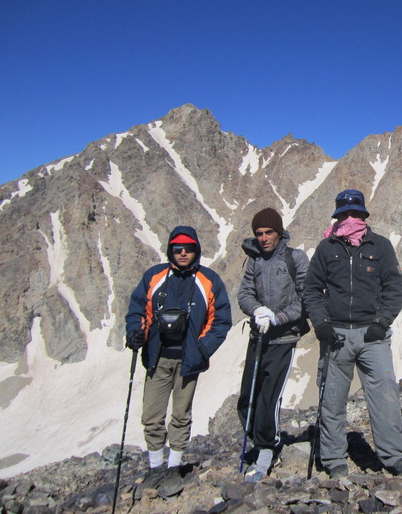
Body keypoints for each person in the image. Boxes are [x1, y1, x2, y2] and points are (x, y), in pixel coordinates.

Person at [302, 189, 402, 478]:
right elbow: (311, 291)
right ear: (337, 216)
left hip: (372, 337)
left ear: (364, 216)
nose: (349, 218)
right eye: (344, 214)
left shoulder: (381, 247)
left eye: (355, 213)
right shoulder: (326, 248)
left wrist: (381, 324)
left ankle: (394, 456)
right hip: (336, 336)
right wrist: (322, 325)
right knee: (331, 400)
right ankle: (334, 460)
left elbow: (394, 290)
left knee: (385, 397)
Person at [125, 226, 232, 497]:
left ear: (196, 250)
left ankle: (173, 467)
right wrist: (135, 333)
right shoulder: (155, 276)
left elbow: (220, 318)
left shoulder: (208, 279)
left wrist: (201, 349)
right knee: (151, 416)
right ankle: (155, 468)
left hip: (187, 361)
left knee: (180, 416)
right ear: (170, 250)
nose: (183, 253)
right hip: (157, 358)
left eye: (188, 248)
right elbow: (138, 307)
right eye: (177, 248)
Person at [236, 208, 310, 482]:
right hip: (258, 338)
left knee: (269, 397)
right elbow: (244, 293)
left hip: (283, 338)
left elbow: (305, 298)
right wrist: (256, 311)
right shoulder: (254, 260)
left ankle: (266, 450)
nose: (264, 238)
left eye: (268, 232)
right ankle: (259, 441)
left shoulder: (295, 258)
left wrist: (277, 318)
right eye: (259, 234)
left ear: (279, 232)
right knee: (247, 399)